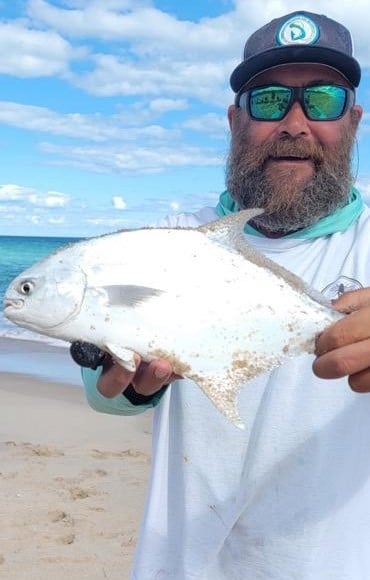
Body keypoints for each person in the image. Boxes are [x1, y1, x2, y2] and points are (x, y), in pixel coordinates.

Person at [82, 10, 370, 579]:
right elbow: (103, 392)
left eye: (322, 101)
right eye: (268, 102)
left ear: (353, 122)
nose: (294, 123)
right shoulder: (174, 237)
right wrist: (112, 368)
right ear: (234, 121)